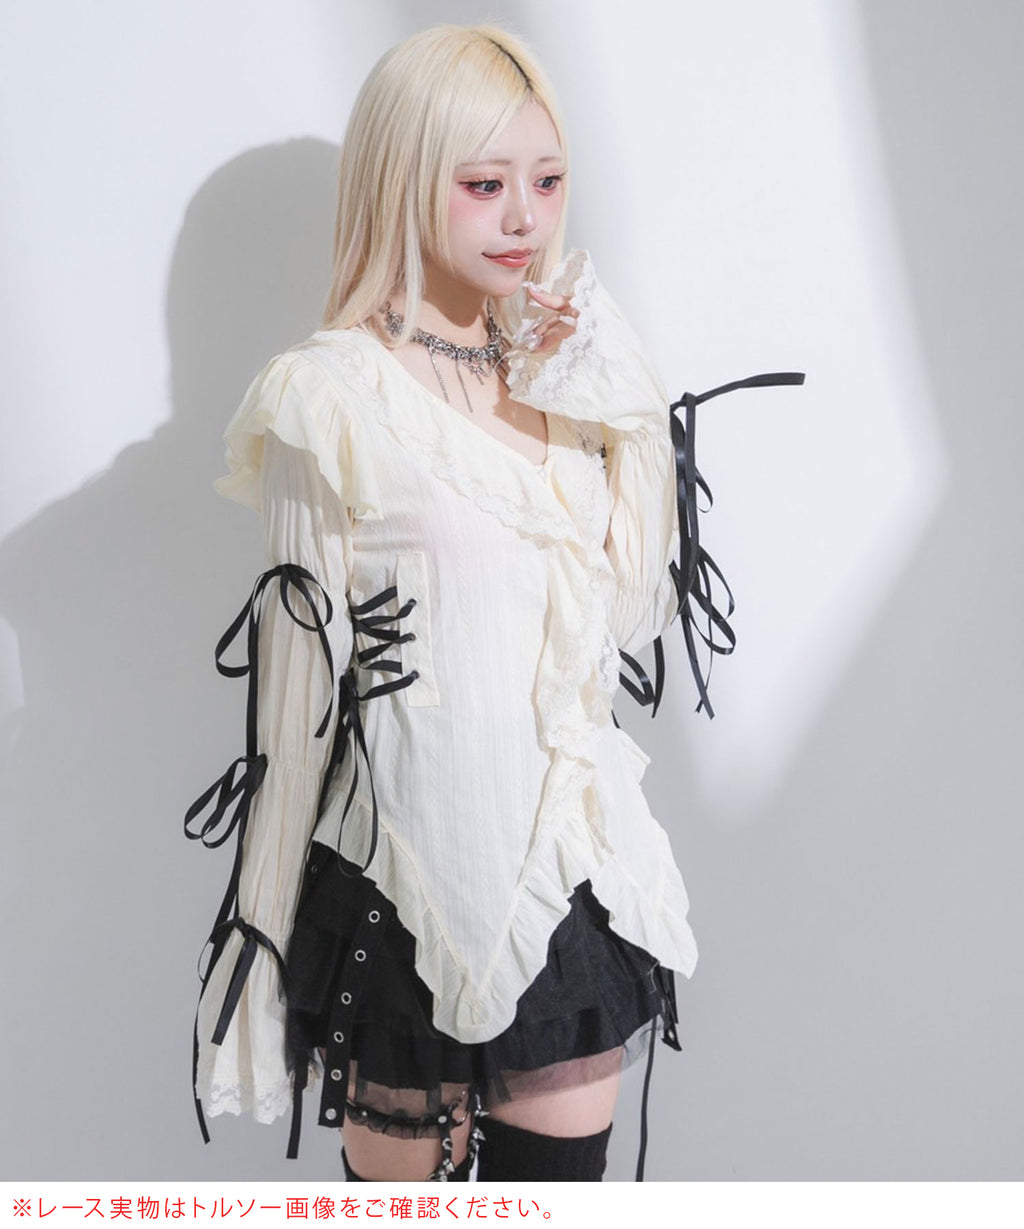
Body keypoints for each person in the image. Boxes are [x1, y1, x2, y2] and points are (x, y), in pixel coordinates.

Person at [186, 22, 699, 1183]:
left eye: (547, 181)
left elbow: (630, 608)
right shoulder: (327, 396)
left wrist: (615, 387)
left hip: (571, 871)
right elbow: (296, 700)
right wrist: (255, 939)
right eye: (484, 184)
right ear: (405, 179)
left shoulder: (561, 377)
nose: (525, 217)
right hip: (406, 878)